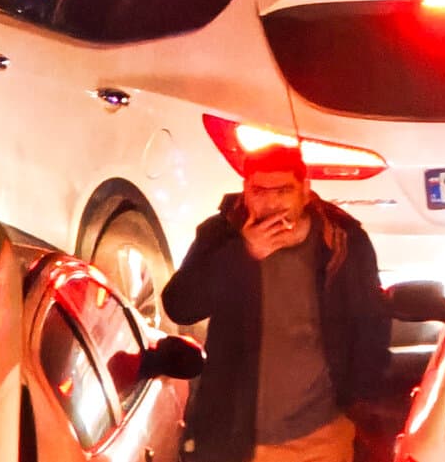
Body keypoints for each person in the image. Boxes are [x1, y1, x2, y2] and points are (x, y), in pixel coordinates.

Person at [160, 141, 389, 462]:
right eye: (258, 191)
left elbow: (371, 323)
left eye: (282, 191)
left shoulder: (341, 242)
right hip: (242, 440)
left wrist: (362, 402)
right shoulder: (221, 235)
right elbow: (180, 305)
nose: (270, 202)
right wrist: (244, 255)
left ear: (305, 190)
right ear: (244, 190)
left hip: (321, 433)